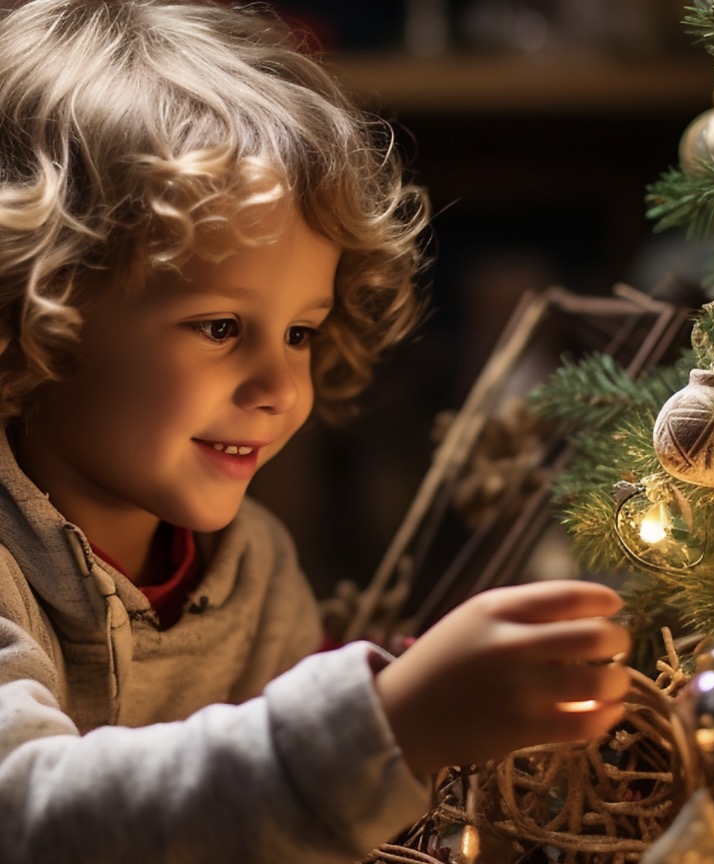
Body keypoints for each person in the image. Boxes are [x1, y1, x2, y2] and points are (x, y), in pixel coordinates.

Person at [0, 1, 632, 861]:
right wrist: (387, 729)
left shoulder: (255, 567)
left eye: (300, 331)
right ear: (37, 310)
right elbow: (31, 816)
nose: (278, 385)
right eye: (220, 326)